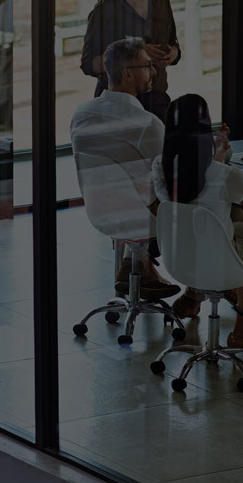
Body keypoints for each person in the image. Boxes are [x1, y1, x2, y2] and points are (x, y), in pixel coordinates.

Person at [70, 37, 179, 300]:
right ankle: (206, 290)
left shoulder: (81, 114)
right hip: (139, 216)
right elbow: (169, 177)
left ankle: (135, 263)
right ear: (127, 74)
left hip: (100, 212)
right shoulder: (146, 123)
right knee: (201, 197)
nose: (154, 72)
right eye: (148, 66)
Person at [151, 94, 243, 348]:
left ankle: (193, 295)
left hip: (181, 260)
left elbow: (201, 185)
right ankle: (240, 334)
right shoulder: (228, 176)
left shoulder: (160, 167)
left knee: (238, 222)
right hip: (221, 263)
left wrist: (218, 153)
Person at [80, 0, 180, 122]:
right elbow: (88, 64)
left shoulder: (161, 0)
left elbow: (173, 43)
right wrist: (136, 53)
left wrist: (173, 53)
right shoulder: (105, 10)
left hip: (156, 103)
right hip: (117, 107)